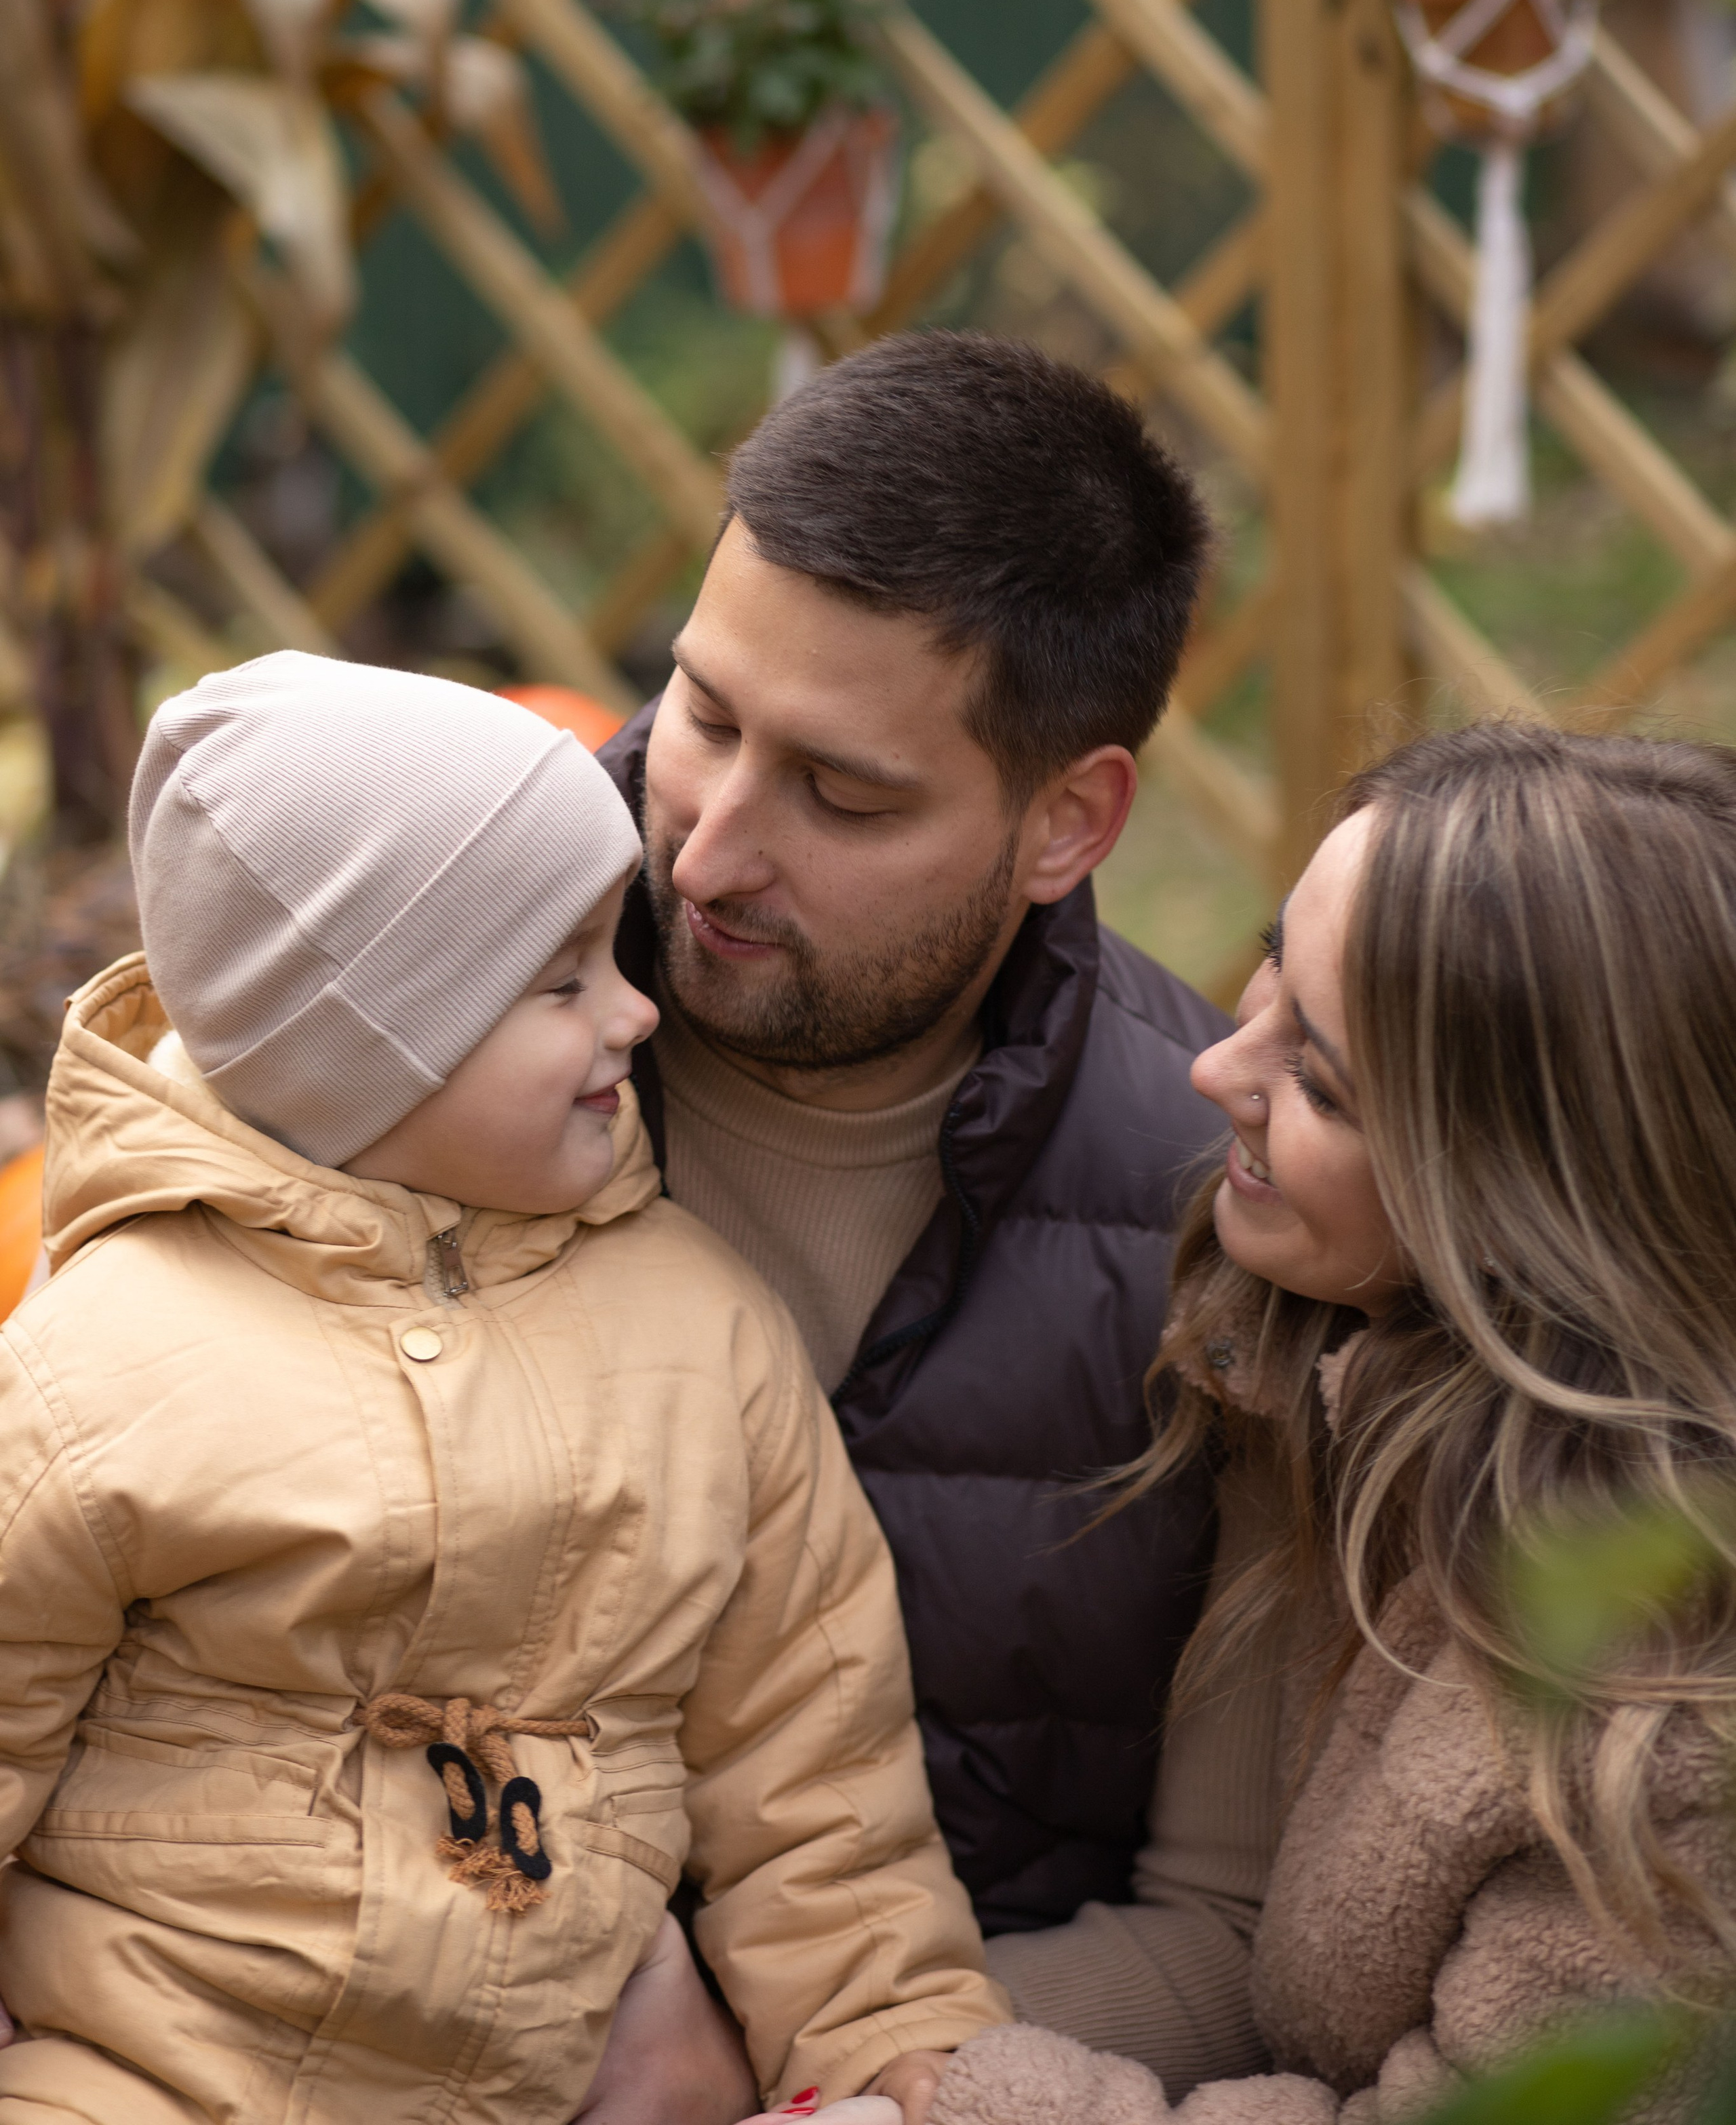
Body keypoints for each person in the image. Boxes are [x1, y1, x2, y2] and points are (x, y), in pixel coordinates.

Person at [0, 655, 1006, 2124]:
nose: (635, 1014)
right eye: (561, 982)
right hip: (146, 2076)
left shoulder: (705, 1336)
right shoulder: (102, 1366)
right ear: (366, 1053)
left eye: (616, 956)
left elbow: (818, 1780)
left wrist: (881, 2052)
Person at [593, 336, 1256, 2109]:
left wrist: (754, 2064)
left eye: (844, 793)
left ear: (1068, 821)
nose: (710, 847)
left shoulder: (1233, 1218)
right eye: (702, 716)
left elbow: (1231, 1929)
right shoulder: (406, 1013)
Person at [913, 722, 1736, 2124]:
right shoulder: (1342, 1381)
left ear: (1535, 1203)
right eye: (1269, 968)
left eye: (1321, 1083)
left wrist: (944, 2102)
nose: (1213, 1072)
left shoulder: (1660, 1744)